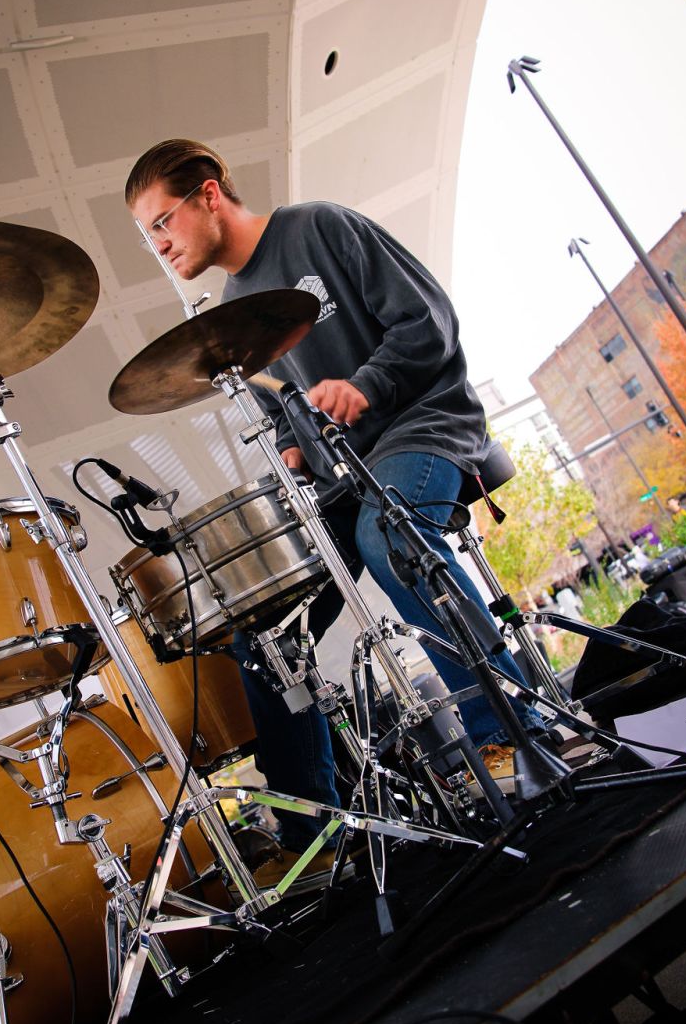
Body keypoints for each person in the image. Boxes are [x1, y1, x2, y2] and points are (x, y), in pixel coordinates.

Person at [125, 139, 547, 878]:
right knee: (263, 627)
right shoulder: (233, 313)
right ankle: (314, 835)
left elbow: (428, 321)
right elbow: (284, 412)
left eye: (163, 222)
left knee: (388, 538)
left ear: (209, 194)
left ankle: (511, 733)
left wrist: (366, 385)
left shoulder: (317, 227)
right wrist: (292, 449)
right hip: (344, 475)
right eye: (147, 234)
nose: (159, 245)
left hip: (423, 423)